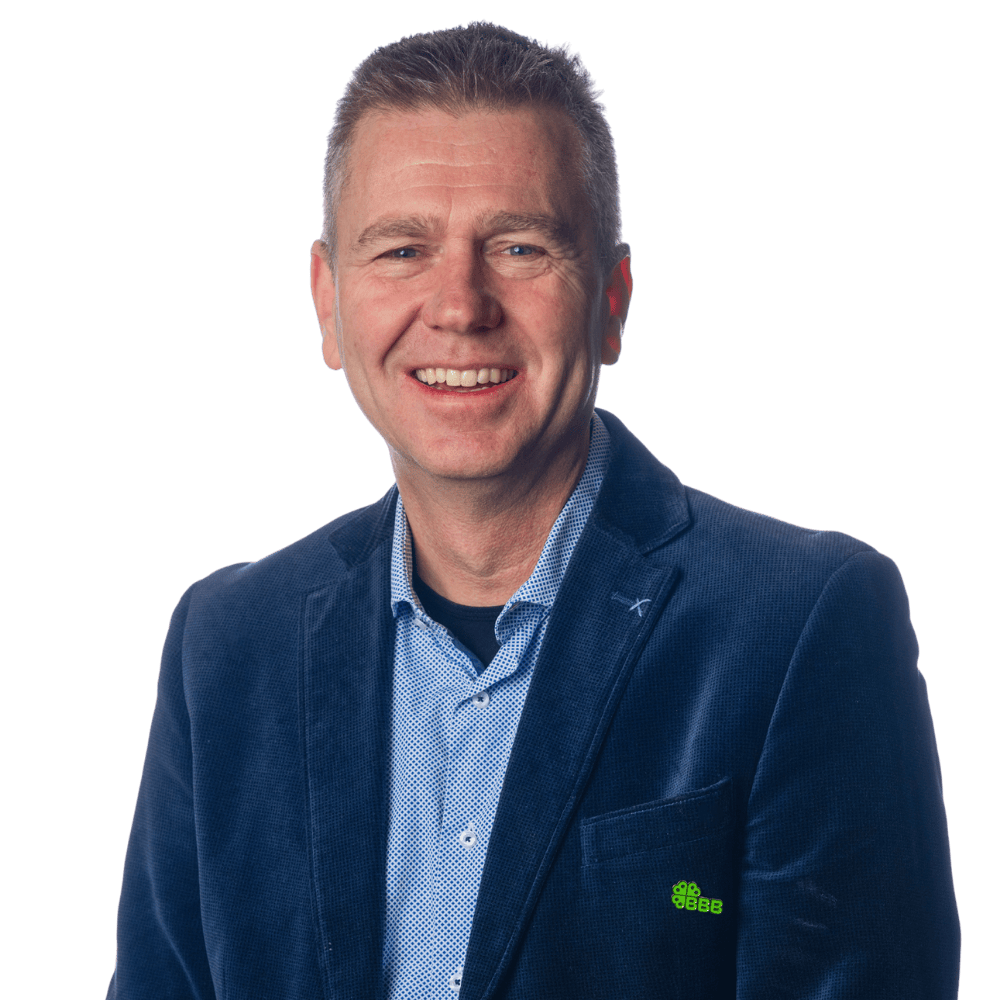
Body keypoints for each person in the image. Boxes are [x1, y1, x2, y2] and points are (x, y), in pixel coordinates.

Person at [107, 21, 960, 1000]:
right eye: (402, 249)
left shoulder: (802, 623)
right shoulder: (224, 649)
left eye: (519, 246)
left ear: (612, 300)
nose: (459, 305)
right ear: (328, 302)